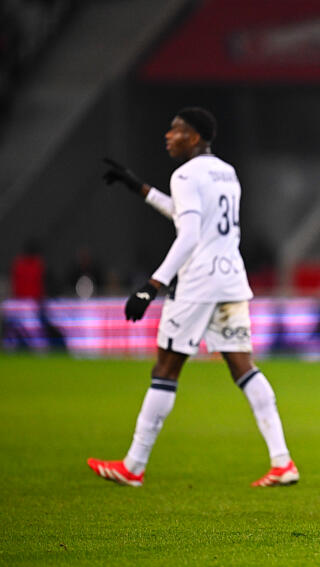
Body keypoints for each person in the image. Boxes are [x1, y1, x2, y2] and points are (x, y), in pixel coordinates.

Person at [87, 107, 298, 488]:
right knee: (243, 367)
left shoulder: (184, 174)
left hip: (198, 281)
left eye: (177, 130)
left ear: (196, 137)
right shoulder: (226, 172)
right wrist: (139, 187)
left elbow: (188, 234)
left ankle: (133, 465)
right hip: (231, 277)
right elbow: (190, 217)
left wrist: (151, 285)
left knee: (165, 368)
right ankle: (282, 461)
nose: (168, 135)